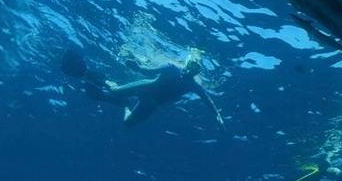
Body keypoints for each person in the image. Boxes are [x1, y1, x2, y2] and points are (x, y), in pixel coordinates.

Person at [61, 46, 222, 128]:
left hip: (152, 102)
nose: (191, 71)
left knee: (128, 124)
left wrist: (217, 115)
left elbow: (208, 101)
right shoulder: (171, 68)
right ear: (186, 64)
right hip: (146, 87)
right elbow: (147, 71)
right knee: (114, 90)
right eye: (191, 66)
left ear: (197, 71)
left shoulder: (194, 85)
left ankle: (125, 104)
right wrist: (136, 65)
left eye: (195, 69)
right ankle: (101, 79)